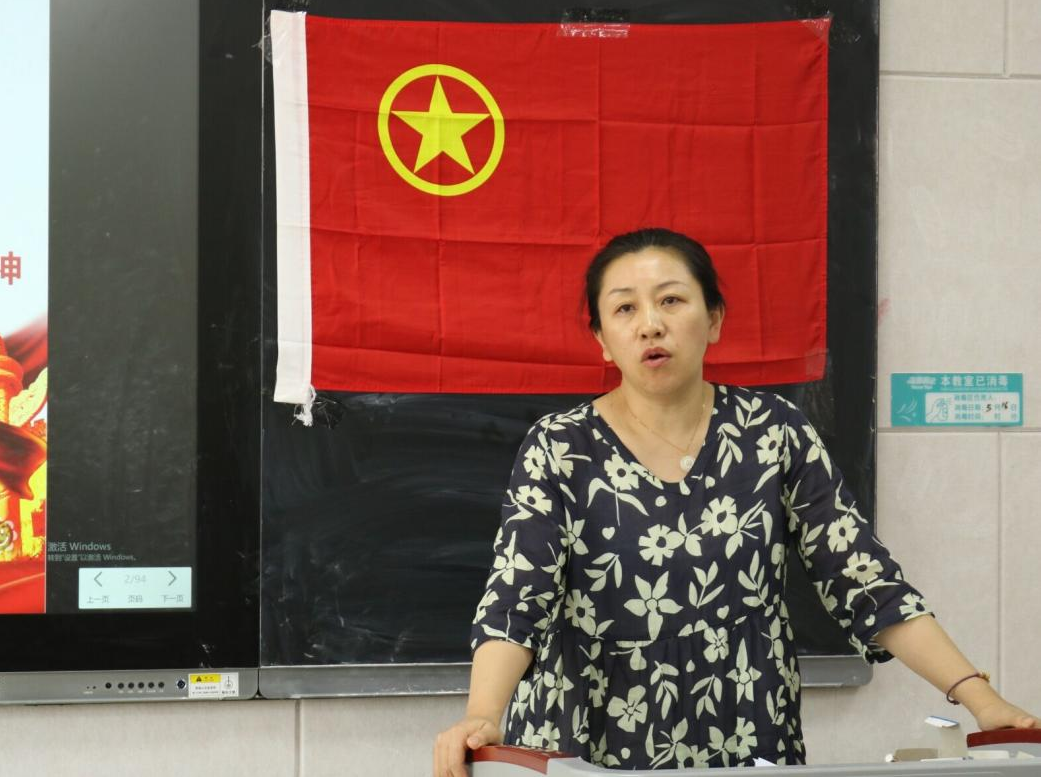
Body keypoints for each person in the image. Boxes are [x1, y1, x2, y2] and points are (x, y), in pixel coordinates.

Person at [433, 229, 1037, 776]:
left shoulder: (773, 432)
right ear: (602, 340)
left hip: (745, 736)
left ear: (714, 319)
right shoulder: (560, 446)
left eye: (672, 300)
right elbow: (517, 597)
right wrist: (483, 714)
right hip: (590, 747)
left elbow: (863, 578)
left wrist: (982, 700)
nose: (650, 325)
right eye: (624, 308)